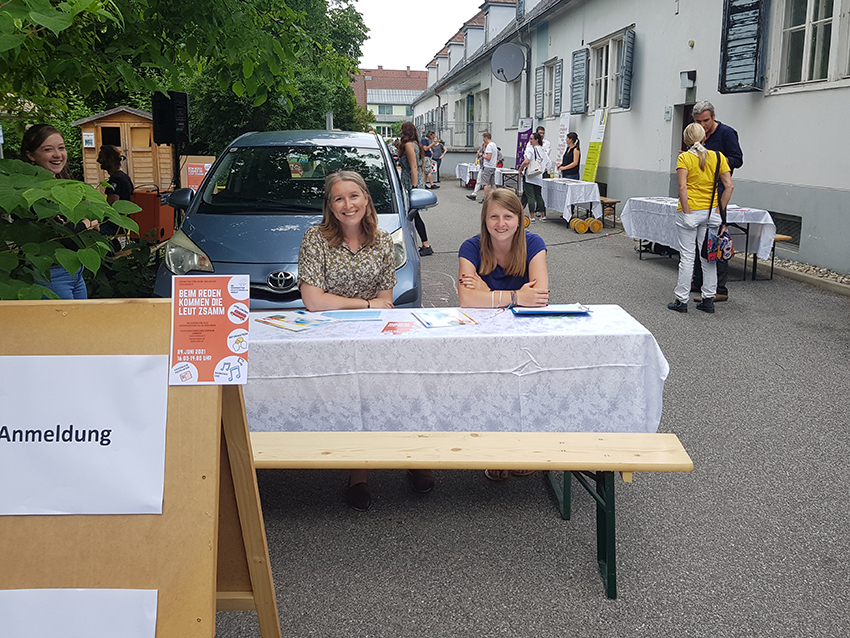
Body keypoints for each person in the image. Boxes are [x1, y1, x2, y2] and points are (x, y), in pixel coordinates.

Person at [298, 170, 435, 510]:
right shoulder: (315, 239)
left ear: (366, 199)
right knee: (352, 396)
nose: (348, 204)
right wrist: (365, 304)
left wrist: (367, 306)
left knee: (400, 386)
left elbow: (387, 302)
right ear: (330, 206)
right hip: (331, 336)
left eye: (354, 196)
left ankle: (413, 458)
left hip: (375, 332)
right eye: (339, 198)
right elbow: (313, 301)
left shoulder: (385, 240)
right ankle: (358, 471)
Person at [458, 188, 549, 481]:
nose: (500, 223)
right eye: (493, 216)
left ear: (520, 219)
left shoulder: (534, 243)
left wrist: (487, 292)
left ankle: (525, 446)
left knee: (526, 382)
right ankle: (493, 449)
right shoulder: (470, 247)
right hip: (484, 332)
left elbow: (540, 296)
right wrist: (515, 295)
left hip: (524, 330)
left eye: (508, 216)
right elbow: (466, 300)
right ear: (484, 219)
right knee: (489, 385)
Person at [20, 124, 98, 299]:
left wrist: (81, 225)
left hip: (76, 271)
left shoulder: (66, 186)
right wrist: (88, 222)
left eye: (61, 148)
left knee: (79, 325)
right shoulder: (29, 193)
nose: (58, 154)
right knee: (64, 325)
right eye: (48, 149)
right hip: (51, 275)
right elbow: (67, 238)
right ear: (30, 155)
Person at [668, 123, 734, 314]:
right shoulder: (718, 157)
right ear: (705, 137)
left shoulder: (685, 158)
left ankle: (681, 300)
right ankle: (708, 298)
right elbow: (729, 186)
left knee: (687, 257)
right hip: (710, 213)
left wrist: (687, 212)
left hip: (689, 212)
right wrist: (718, 210)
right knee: (709, 256)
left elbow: (682, 188)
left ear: (686, 140)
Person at [690, 101, 743, 302]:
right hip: (699, 190)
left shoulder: (727, 133)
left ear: (713, 117)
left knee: (715, 238)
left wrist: (713, 158)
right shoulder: (696, 132)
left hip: (718, 190)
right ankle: (698, 280)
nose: (702, 125)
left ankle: (720, 288)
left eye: (706, 121)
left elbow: (737, 159)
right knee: (697, 239)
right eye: (699, 121)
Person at [396, 121, 434, 256]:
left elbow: (413, 166)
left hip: (411, 180)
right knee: (413, 215)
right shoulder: (415, 144)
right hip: (413, 178)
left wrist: (413, 187)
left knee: (412, 214)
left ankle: (425, 244)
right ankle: (423, 244)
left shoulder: (408, 145)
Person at [97, 145, 134, 240]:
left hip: (114, 226)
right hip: (123, 223)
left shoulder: (115, 180)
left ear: (110, 159)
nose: (98, 160)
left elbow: (112, 207)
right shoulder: (124, 177)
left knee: (85, 231)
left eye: (101, 157)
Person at [519, 132, 551, 222]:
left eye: (532, 139)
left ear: (536, 140)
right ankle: (543, 215)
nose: (530, 141)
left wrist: (520, 169)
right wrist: (542, 169)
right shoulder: (542, 150)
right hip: (538, 176)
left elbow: (526, 161)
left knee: (530, 196)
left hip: (530, 175)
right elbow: (549, 164)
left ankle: (532, 217)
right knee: (539, 195)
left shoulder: (530, 149)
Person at [477, 131, 498, 199]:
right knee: (493, 183)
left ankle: (486, 199)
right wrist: (484, 149)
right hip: (493, 166)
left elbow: (488, 157)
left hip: (488, 166)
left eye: (483, 138)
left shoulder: (489, 146)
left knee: (485, 184)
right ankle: (496, 198)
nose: (483, 140)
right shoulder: (494, 145)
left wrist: (482, 155)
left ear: (486, 138)